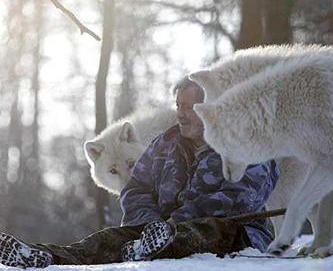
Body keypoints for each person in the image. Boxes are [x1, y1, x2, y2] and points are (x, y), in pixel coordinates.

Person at [0, 76, 279, 268]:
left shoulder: (246, 142)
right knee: (107, 239)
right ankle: (45, 257)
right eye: (178, 106)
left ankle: (153, 244)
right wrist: (148, 224)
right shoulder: (165, 144)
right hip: (158, 230)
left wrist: (172, 223)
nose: (181, 115)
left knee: (205, 232)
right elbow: (136, 190)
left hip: (238, 233)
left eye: (189, 108)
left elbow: (240, 199)